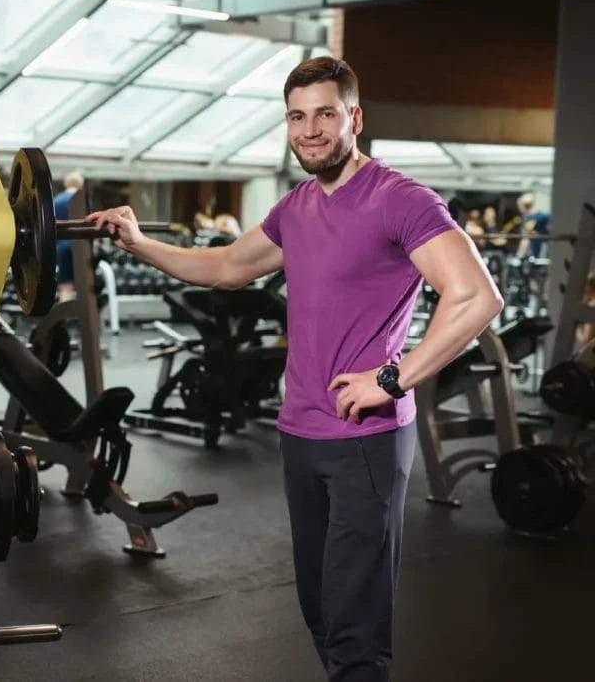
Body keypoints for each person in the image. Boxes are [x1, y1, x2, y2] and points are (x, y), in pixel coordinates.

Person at [86, 56, 503, 681]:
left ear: (354, 118)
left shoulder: (401, 200)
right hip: (300, 432)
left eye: (326, 114)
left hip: (365, 435)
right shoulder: (296, 207)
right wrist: (140, 242)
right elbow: (226, 266)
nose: (310, 130)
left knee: (354, 624)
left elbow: (476, 296)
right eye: (297, 116)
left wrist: (389, 378)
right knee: (319, 607)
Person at [54, 171, 84, 302]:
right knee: (84, 285)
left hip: (63, 246)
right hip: (81, 246)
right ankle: (83, 319)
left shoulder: (57, 200)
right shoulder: (83, 200)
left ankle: (65, 319)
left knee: (65, 287)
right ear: (81, 184)